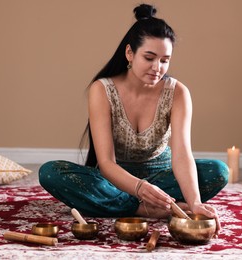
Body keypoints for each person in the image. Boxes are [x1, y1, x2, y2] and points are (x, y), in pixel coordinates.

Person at [39, 4, 228, 235]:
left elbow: (182, 154)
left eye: (165, 60)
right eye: (149, 57)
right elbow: (106, 164)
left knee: (218, 170)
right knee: (50, 172)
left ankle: (129, 204)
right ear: (130, 53)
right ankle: (144, 209)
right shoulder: (102, 90)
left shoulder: (178, 92)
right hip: (114, 180)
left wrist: (195, 202)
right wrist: (139, 189)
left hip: (163, 180)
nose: (157, 68)